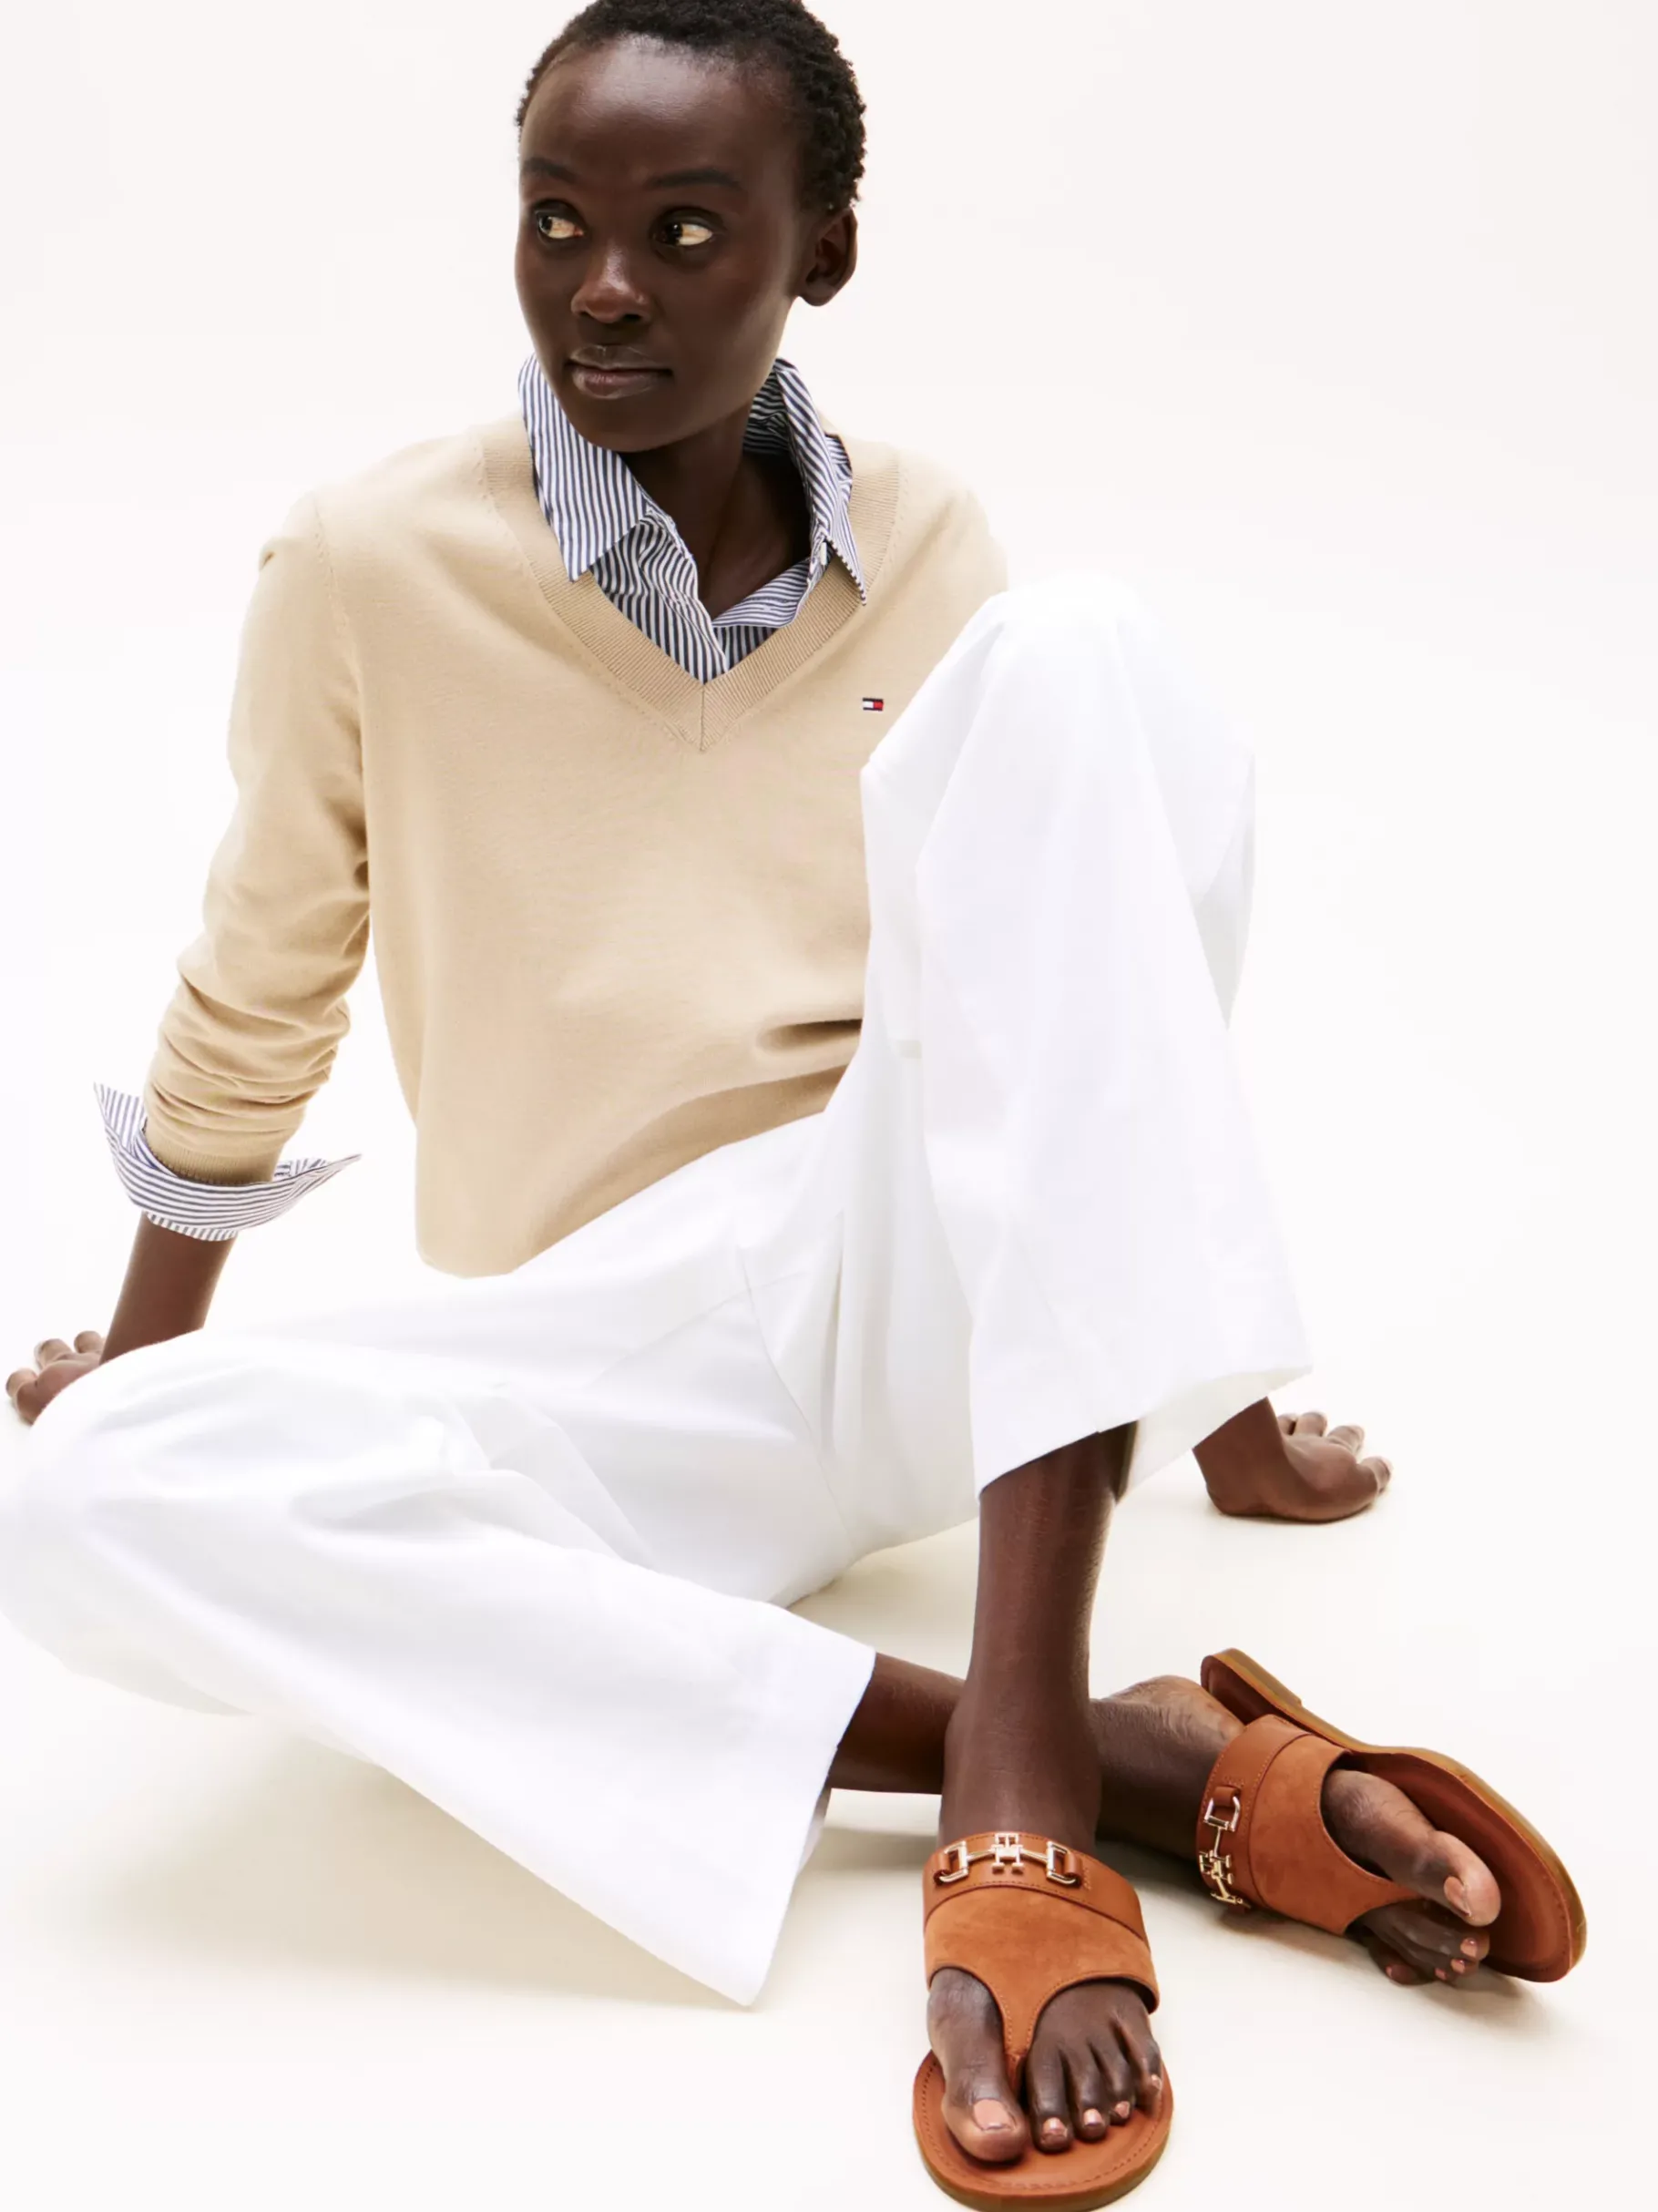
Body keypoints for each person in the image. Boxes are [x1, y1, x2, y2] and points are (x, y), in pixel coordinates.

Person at [1, 5, 1581, 2205]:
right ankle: (1111, 1759)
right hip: (609, 1354)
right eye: (555, 224)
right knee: (83, 1491)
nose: (602, 288)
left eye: (682, 230)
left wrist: (1220, 1407)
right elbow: (264, 976)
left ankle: (1022, 1748)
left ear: (818, 251)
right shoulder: (364, 559)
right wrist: (148, 1358)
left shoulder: (932, 541)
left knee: (1084, 659)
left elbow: (1070, 984)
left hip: (917, 1263)